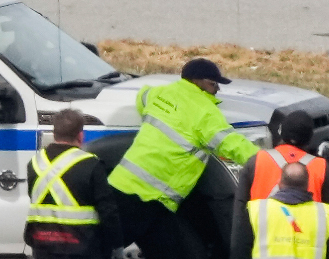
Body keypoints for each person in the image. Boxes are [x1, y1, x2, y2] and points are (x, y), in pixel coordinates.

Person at [107, 58, 262, 257]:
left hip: (131, 190)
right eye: (213, 84)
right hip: (146, 198)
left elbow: (142, 97)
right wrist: (266, 161)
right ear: (197, 81)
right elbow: (232, 144)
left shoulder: (159, 94)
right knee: (98, 250)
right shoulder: (205, 112)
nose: (217, 90)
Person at [26, 108, 113, 258]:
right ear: (81, 135)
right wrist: (115, 244)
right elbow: (108, 210)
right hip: (82, 248)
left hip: (42, 246)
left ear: (54, 134)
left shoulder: (34, 163)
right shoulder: (91, 164)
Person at [232, 160, 329, 259]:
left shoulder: (255, 210)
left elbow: (240, 250)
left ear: (279, 182)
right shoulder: (325, 214)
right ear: (308, 184)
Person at [240, 110, 329, 206]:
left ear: (281, 132)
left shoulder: (256, 161)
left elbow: (240, 207)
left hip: (263, 220)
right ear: (309, 139)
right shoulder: (321, 167)